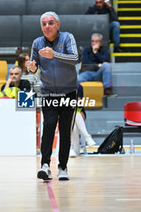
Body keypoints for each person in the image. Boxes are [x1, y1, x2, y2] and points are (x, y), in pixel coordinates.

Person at [28, 11, 79, 181]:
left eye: (50, 23)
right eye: (44, 24)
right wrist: (31, 67)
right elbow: (34, 67)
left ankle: (63, 167)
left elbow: (75, 59)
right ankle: (45, 166)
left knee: (65, 131)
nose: (47, 26)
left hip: (68, 92)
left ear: (58, 25)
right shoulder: (37, 42)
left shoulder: (67, 38)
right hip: (49, 93)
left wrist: (54, 54)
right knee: (48, 127)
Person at [70, 84, 96, 157]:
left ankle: (70, 148)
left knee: (75, 114)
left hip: (78, 111)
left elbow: (79, 104)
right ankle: (87, 137)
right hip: (64, 113)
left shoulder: (78, 86)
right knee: (73, 119)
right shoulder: (60, 87)